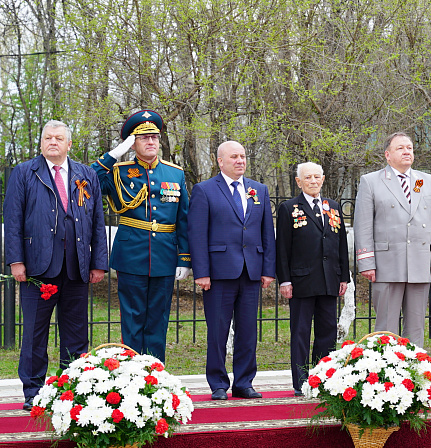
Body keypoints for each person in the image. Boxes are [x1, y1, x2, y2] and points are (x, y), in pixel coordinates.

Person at [4, 120, 108, 410]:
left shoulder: (86, 175)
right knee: (35, 333)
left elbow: (98, 222)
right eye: (47, 138)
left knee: (76, 334)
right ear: (41, 143)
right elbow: (12, 220)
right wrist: (16, 261)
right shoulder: (25, 173)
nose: (53, 142)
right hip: (37, 269)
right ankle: (33, 391)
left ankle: (71, 389)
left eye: (59, 138)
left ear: (68, 144)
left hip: (76, 268)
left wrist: (98, 263)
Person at [91, 110, 190, 362]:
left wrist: (184, 258)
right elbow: (88, 181)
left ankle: (156, 375)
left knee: (158, 319)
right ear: (132, 143)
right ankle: (131, 374)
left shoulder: (175, 173)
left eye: (154, 137)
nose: (150, 142)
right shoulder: (118, 171)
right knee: (133, 319)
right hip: (131, 254)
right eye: (143, 137)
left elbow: (184, 220)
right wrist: (114, 155)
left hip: (165, 255)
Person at [188, 141, 276, 400]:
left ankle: (244, 381)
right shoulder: (204, 191)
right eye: (234, 157)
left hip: (251, 270)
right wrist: (201, 272)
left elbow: (266, 232)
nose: (240, 160)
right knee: (217, 330)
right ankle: (217, 383)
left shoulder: (258, 189)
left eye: (243, 156)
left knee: (248, 330)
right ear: (220, 161)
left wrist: (268, 268)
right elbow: (197, 234)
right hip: (218, 273)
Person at [353, 132, 431, 347]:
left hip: (420, 263)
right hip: (387, 264)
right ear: (388, 155)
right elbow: (363, 226)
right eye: (400, 148)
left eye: (410, 148)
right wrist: (366, 262)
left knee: (416, 327)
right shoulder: (371, 182)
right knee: (386, 328)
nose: (407, 151)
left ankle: (414, 375)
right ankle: (386, 375)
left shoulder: (429, 181)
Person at [276, 162, 349, 396]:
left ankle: (323, 377)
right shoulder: (289, 208)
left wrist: (344, 277)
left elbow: (341, 245)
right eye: (308, 178)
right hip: (301, 282)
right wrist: (284, 280)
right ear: (299, 182)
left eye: (317, 177)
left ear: (324, 179)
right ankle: (300, 381)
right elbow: (282, 248)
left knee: (327, 332)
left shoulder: (333, 206)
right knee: (300, 332)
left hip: (329, 280)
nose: (313, 181)